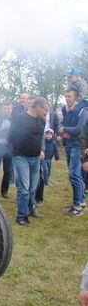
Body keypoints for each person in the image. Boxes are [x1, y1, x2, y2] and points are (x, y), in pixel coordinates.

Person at [8, 97, 49, 226]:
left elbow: (40, 137)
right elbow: (10, 137)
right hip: (21, 158)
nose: (46, 113)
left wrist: (41, 149)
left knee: (33, 188)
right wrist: (21, 148)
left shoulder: (41, 120)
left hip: (36, 158)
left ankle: (31, 210)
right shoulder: (19, 119)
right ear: (37, 107)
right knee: (24, 189)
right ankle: (21, 217)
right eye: (45, 109)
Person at [59, 86, 88, 216]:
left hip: (78, 146)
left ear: (76, 97)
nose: (67, 98)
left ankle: (77, 206)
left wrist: (65, 129)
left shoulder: (83, 110)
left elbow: (78, 130)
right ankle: (80, 201)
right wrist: (63, 128)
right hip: (69, 145)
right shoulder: (66, 110)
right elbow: (60, 124)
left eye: (69, 96)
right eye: (65, 96)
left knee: (74, 175)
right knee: (74, 176)